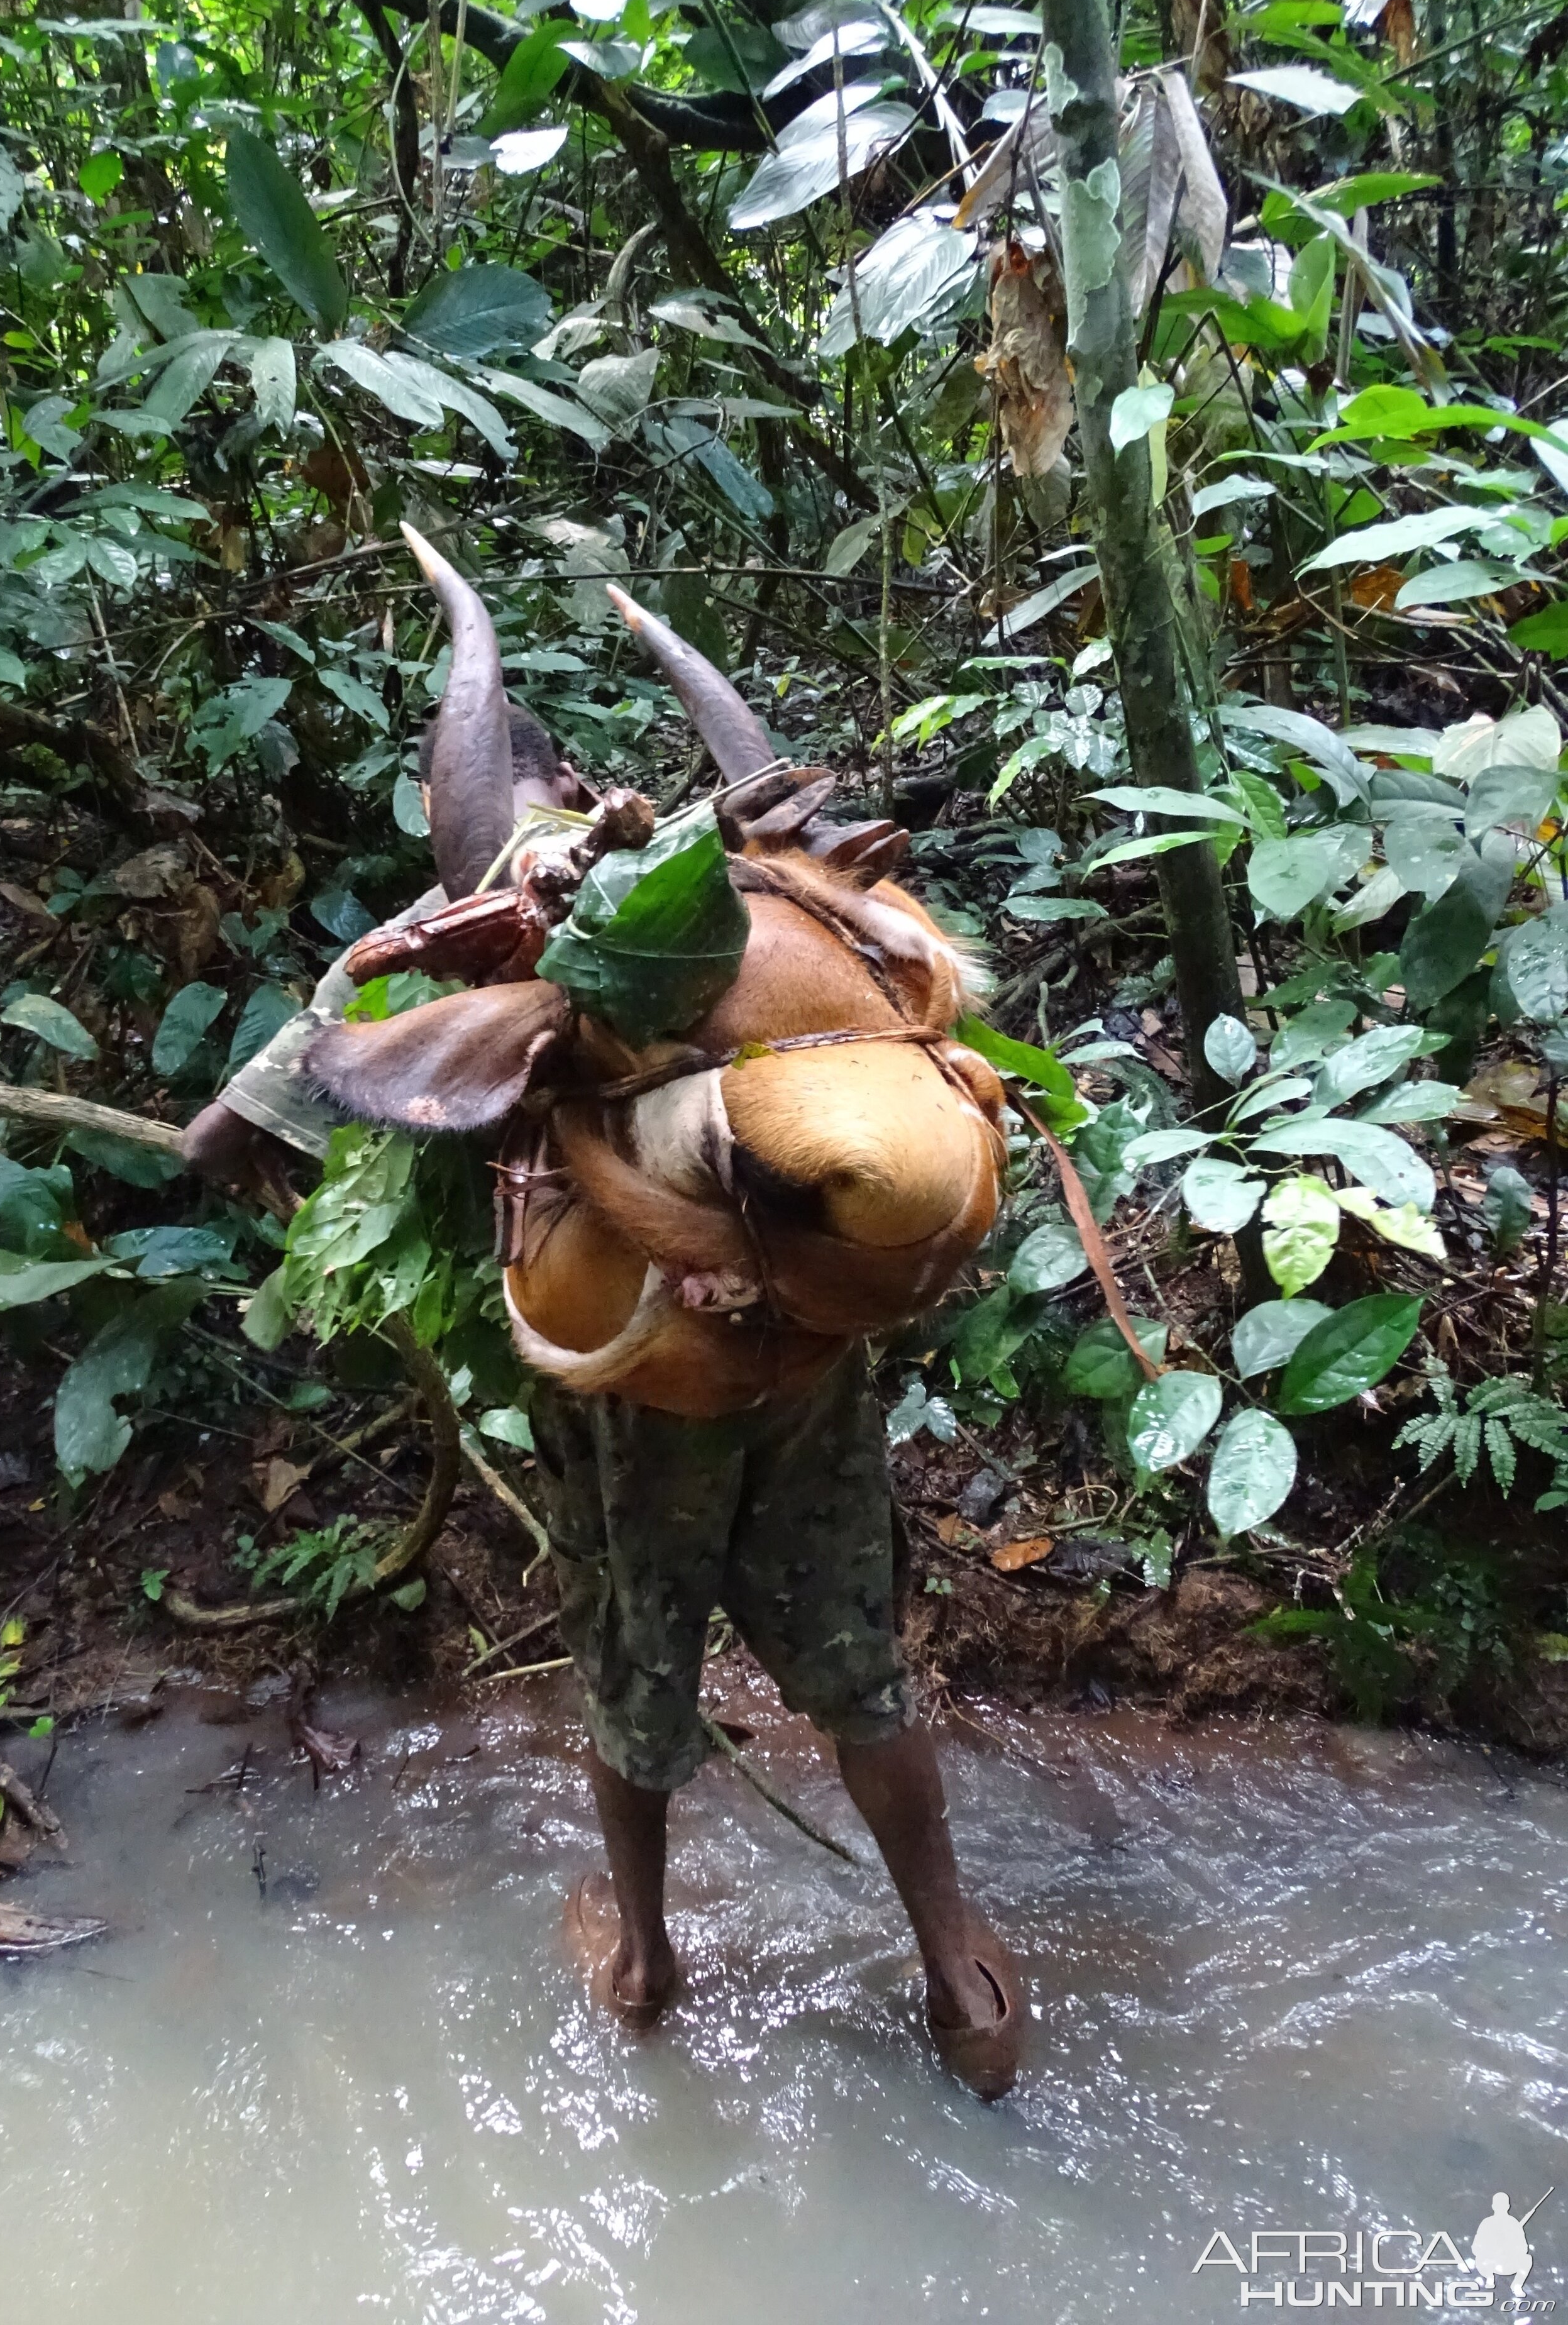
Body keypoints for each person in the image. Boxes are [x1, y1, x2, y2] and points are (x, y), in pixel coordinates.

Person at [184, 699, 1028, 2101]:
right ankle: (961, 1981)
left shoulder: (441, 927)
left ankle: (642, 1965)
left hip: (622, 1388)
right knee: (855, 1659)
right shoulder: (730, 878)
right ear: (579, 780)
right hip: (806, 1357)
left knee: (635, 1661)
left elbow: (215, 1142)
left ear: (450, 810)